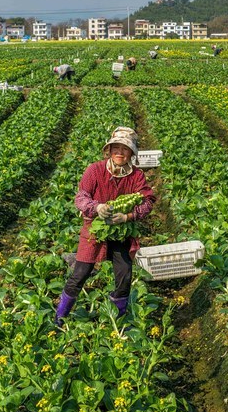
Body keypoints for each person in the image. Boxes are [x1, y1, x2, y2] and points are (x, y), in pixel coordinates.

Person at [56, 127, 155, 326]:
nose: (120, 152)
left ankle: (117, 321)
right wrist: (97, 207)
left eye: (125, 149)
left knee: (124, 275)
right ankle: (60, 317)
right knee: (80, 273)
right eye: (115, 148)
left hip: (120, 234)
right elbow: (81, 197)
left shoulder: (136, 176)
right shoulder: (95, 170)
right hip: (95, 230)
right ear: (108, 151)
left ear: (132, 153)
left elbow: (148, 201)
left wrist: (128, 216)